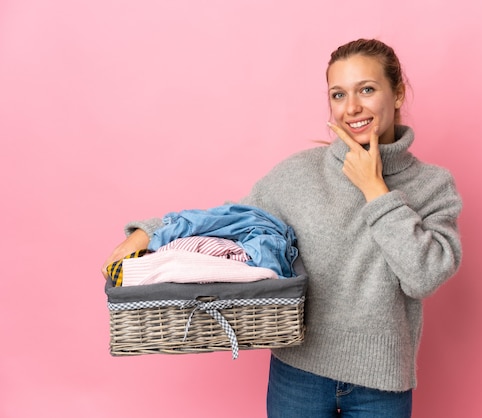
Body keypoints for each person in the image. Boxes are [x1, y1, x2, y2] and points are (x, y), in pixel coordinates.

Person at [102, 38, 462, 418]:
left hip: (382, 384)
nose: (352, 107)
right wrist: (151, 232)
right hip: (299, 376)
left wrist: (376, 189)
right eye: (338, 95)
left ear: (398, 92)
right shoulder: (299, 173)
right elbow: (232, 222)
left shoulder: (432, 186)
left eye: (367, 90)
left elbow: (424, 277)